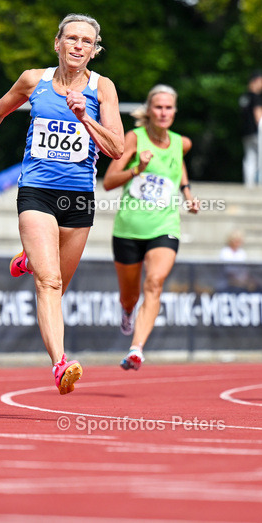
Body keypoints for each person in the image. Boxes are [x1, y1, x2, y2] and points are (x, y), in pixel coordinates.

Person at [0, 13, 124, 394]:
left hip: (80, 198)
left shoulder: (103, 90)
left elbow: (116, 149)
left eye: (86, 41)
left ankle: (27, 260)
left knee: (59, 283)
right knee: (48, 284)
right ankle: (60, 364)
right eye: (71, 38)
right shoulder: (34, 80)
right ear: (57, 43)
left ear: (94, 51)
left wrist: (85, 116)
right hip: (36, 191)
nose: (78, 45)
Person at [103, 84, 198, 371]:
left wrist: (188, 194)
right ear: (149, 110)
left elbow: (178, 165)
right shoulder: (134, 138)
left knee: (155, 282)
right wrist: (137, 170)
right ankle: (128, 311)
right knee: (130, 295)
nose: (163, 112)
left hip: (165, 226)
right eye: (158, 107)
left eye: (169, 107)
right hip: (129, 229)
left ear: (175, 111)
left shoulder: (182, 143)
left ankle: (136, 348)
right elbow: (108, 182)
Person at [239, 72, 262, 187]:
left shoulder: (243, 97)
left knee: (249, 158)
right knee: (260, 159)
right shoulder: (256, 97)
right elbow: (259, 115)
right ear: (256, 80)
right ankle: (259, 184)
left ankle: (248, 184)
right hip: (257, 132)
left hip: (245, 132)